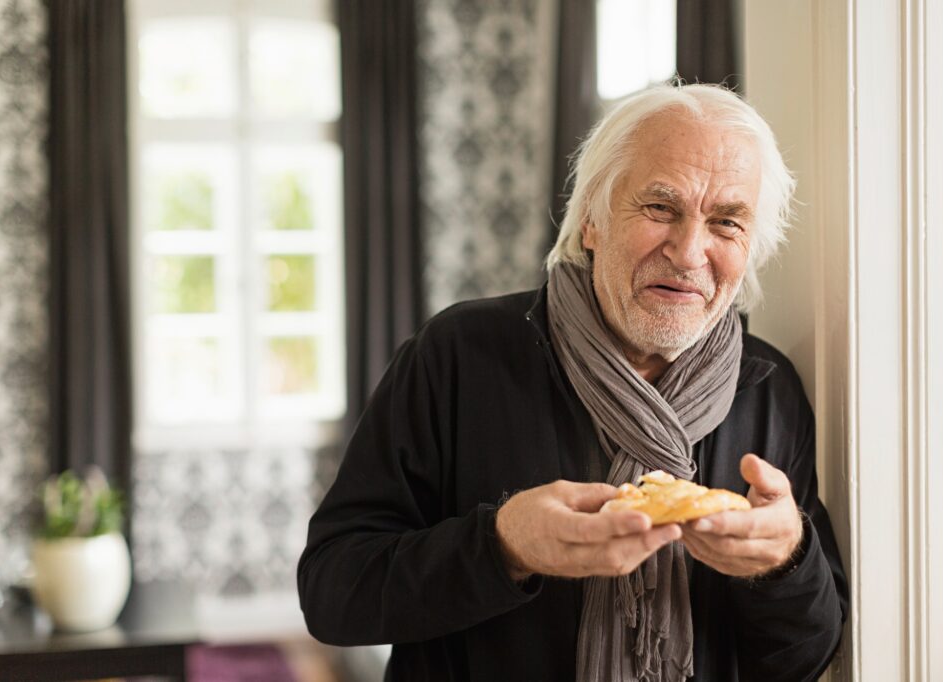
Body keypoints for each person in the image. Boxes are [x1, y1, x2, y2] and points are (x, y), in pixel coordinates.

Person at [298, 83, 848, 682]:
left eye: (726, 222)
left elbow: (809, 654)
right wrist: (504, 545)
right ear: (590, 219)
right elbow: (333, 593)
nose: (691, 252)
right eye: (660, 208)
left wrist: (784, 563)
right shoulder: (459, 355)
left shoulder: (769, 390)